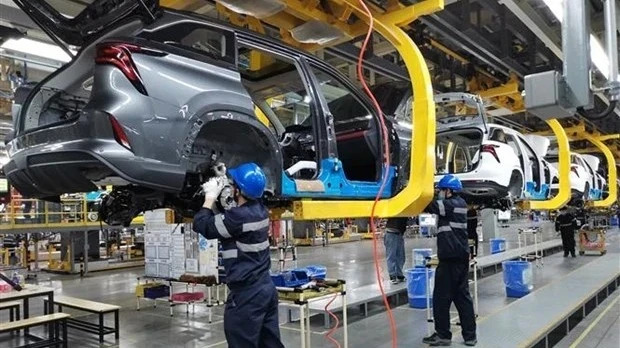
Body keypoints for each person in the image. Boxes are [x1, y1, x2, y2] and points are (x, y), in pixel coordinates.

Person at [193, 162, 284, 348]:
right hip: (265, 288)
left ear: (238, 191)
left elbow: (202, 224)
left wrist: (209, 197)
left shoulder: (237, 218)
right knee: (270, 343)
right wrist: (223, 179)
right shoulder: (261, 210)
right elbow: (231, 217)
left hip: (247, 295)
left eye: (234, 185)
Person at [422, 175, 477, 347]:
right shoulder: (459, 204)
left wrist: (420, 190)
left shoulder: (452, 204)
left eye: (441, 190)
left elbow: (430, 205)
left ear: (449, 191)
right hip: (459, 257)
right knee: (462, 297)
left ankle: (443, 335)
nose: (439, 193)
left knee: (441, 297)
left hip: (451, 259)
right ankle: (470, 336)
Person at [384, 217, 408, 284]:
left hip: (399, 234)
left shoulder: (406, 212)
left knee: (401, 256)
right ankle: (392, 276)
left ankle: (399, 275)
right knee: (391, 255)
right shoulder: (397, 209)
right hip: (391, 233)